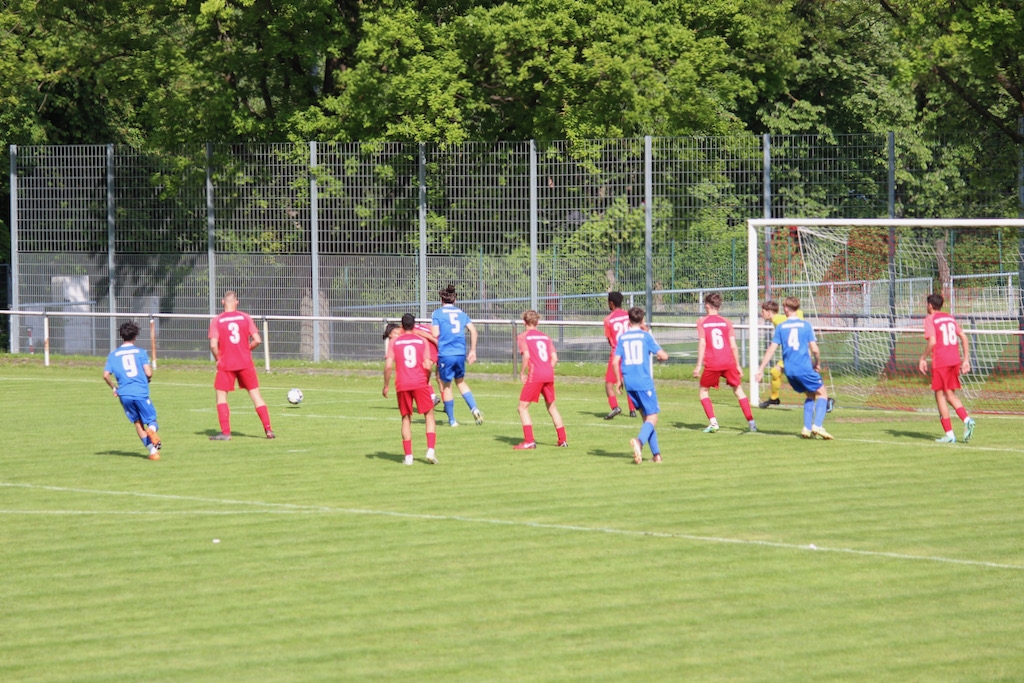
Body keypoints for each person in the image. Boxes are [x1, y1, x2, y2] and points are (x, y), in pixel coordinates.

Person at [755, 297, 833, 439]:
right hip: (804, 367)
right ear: (798, 308)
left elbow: (771, 350)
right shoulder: (806, 325)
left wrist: (760, 369)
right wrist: (818, 363)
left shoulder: (780, 327)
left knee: (810, 394)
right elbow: (815, 349)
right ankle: (818, 425)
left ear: (785, 309)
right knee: (822, 394)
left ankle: (807, 428)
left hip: (789, 371)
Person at [208, 290, 275, 440]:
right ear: (237, 302)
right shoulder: (245, 317)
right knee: (256, 395)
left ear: (222, 302)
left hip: (226, 363)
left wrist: (218, 357)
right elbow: (257, 339)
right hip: (245, 362)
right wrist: (247, 349)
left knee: (221, 397)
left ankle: (226, 433)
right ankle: (268, 430)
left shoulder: (217, 320)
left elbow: (213, 345)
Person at [692, 292, 757, 433]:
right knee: (738, 391)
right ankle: (751, 423)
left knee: (703, 392)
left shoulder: (702, 322)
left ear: (707, 306)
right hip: (728, 361)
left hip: (712, 363)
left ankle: (714, 423)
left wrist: (698, 366)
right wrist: (738, 365)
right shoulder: (727, 322)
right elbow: (733, 345)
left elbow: (702, 343)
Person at [614, 307, 669, 464]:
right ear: (642, 320)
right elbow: (664, 355)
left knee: (647, 420)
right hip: (644, 382)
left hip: (629, 382)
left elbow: (615, 361)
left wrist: (618, 380)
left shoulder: (623, 338)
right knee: (653, 417)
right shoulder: (646, 336)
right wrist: (650, 335)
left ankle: (656, 455)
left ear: (628, 320)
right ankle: (639, 442)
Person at [918, 293, 975, 443]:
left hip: (941, 361)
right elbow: (964, 337)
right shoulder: (949, 317)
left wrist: (923, 357)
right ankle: (967, 419)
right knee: (949, 394)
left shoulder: (930, 319)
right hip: (954, 360)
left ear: (930, 305)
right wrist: (966, 360)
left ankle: (950, 434)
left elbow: (932, 342)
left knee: (940, 396)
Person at [383, 313, 438, 465]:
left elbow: (388, 366)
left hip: (402, 384)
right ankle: (430, 451)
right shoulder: (421, 341)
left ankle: (408, 456)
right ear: (414, 325)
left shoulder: (394, 341)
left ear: (401, 325)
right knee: (429, 415)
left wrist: (386, 385)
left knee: (406, 418)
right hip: (420, 382)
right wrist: (426, 380)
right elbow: (427, 365)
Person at [103, 321, 161, 460]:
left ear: (121, 336)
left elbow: (105, 375)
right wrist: (147, 378)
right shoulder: (140, 352)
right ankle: (152, 431)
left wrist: (114, 388)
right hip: (140, 392)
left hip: (124, 394)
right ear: (135, 335)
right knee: (152, 420)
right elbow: (149, 372)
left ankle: (153, 452)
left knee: (137, 422)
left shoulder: (113, 355)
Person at [513, 310, 568, 449]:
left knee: (522, 408)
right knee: (552, 408)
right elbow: (554, 358)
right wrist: (547, 369)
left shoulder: (523, 336)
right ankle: (563, 440)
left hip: (535, 374)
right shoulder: (545, 337)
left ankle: (529, 441)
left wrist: (522, 373)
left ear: (524, 322)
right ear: (537, 322)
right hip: (548, 373)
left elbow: (526, 356)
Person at [431, 284, 483, 427]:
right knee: (460, 381)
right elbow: (473, 331)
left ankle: (452, 420)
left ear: (441, 300)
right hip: (460, 353)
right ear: (454, 300)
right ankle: (474, 408)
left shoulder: (437, 314)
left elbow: (435, 333)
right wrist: (472, 350)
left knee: (446, 386)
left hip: (446, 354)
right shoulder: (461, 313)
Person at [383, 321, 441, 407]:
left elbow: (421, 332)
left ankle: (433, 397)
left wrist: (435, 341)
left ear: (394, 331)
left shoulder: (406, 331)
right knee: (439, 378)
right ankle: (446, 404)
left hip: (433, 346)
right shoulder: (411, 327)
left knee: (424, 371)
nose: (392, 340)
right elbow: (427, 329)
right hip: (438, 343)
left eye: (391, 338)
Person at [603, 291, 638, 419]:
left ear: (611, 303)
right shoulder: (628, 315)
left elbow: (609, 340)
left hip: (616, 354)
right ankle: (632, 409)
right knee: (628, 382)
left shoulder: (608, 319)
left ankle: (615, 407)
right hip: (629, 353)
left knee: (609, 384)